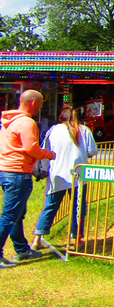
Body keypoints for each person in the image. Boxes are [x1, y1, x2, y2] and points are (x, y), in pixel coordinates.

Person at [0, 90, 56, 269]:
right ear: (33, 103)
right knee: (10, 216)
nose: (40, 107)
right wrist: (49, 154)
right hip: (18, 173)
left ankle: (22, 249)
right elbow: (31, 148)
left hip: (6, 170)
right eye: (40, 104)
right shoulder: (27, 122)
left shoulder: (9, 121)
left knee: (16, 215)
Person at [31, 106, 98, 250]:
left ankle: (37, 238)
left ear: (61, 117)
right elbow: (92, 151)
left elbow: (45, 149)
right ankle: (77, 239)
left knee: (50, 207)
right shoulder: (84, 130)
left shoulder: (53, 130)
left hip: (58, 174)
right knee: (78, 208)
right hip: (78, 174)